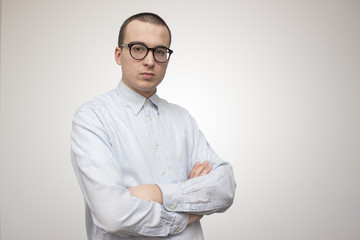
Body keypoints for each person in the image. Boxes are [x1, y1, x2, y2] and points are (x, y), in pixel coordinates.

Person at [71, 12, 236, 240]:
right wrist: (187, 213)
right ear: (119, 55)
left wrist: (156, 193)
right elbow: (113, 214)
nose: (150, 61)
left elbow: (225, 188)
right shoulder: (92, 117)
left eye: (159, 51)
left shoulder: (183, 119)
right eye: (138, 48)